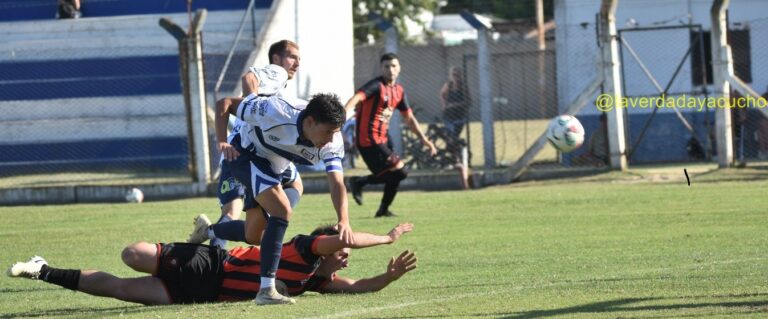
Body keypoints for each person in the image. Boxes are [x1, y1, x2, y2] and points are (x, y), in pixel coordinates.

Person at [7, 223, 416, 305]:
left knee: (121, 290)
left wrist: (389, 276)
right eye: (340, 253)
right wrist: (388, 237)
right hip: (211, 263)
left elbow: (359, 286)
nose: (344, 256)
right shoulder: (304, 248)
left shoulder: (315, 282)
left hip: (202, 294)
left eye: (344, 256)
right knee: (131, 255)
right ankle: (215, 230)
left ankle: (42, 269)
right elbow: (343, 238)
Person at [208, 87, 353, 305]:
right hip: (246, 154)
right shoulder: (275, 110)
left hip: (278, 163)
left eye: (335, 132)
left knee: (256, 235)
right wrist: (222, 141)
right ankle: (266, 290)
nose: (332, 138)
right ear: (311, 121)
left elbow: (337, 182)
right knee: (282, 210)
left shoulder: (332, 141)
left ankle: (210, 229)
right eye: (328, 132)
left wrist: (344, 219)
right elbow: (225, 103)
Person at [200, 40, 304, 250]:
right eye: (292, 57)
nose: (297, 63)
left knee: (294, 186)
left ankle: (259, 223)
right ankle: (215, 254)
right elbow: (249, 77)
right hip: (243, 155)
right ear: (276, 59)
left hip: (258, 156)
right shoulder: (277, 72)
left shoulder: (279, 89)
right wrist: (252, 102)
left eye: (299, 59)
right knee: (234, 213)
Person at [345, 53, 437, 218]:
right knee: (401, 172)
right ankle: (359, 182)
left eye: (394, 66)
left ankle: (382, 209)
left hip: (384, 139)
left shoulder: (399, 91)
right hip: (368, 140)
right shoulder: (376, 86)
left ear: (399, 68)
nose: (390, 70)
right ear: (381, 68)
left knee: (395, 175)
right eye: (386, 66)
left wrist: (424, 140)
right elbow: (357, 97)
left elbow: (409, 118)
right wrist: (342, 115)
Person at [439, 66, 469, 140]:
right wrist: (444, 105)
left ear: (460, 76)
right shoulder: (448, 85)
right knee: (449, 136)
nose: (455, 77)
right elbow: (442, 95)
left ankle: (456, 149)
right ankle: (452, 147)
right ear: (450, 76)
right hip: (448, 115)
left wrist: (457, 104)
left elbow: (468, 101)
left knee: (455, 136)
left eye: (457, 75)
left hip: (459, 116)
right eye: (453, 75)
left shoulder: (463, 87)